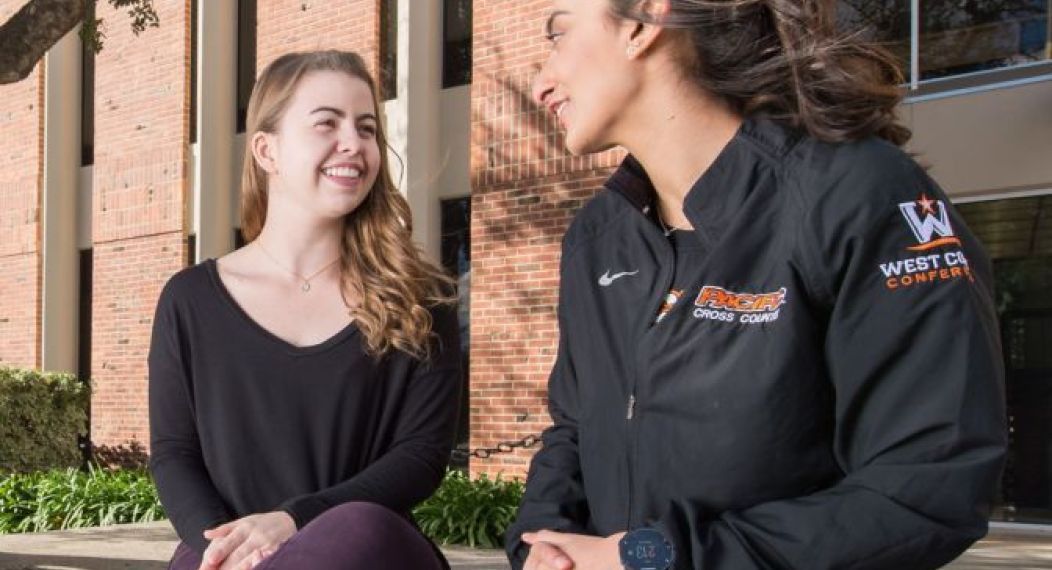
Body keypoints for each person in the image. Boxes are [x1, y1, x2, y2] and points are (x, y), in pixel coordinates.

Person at [506, 1, 1007, 569]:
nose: (541, 83)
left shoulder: (859, 195)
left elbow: (927, 488)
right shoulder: (597, 236)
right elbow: (574, 428)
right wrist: (540, 545)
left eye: (558, 33)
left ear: (643, 23)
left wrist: (652, 559)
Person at [148, 50, 461, 570]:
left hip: (371, 553)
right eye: (327, 124)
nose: (353, 143)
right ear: (266, 150)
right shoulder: (190, 301)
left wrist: (293, 520)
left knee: (357, 525)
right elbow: (174, 453)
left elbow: (419, 457)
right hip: (231, 552)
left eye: (366, 128)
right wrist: (223, 549)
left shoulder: (418, 298)